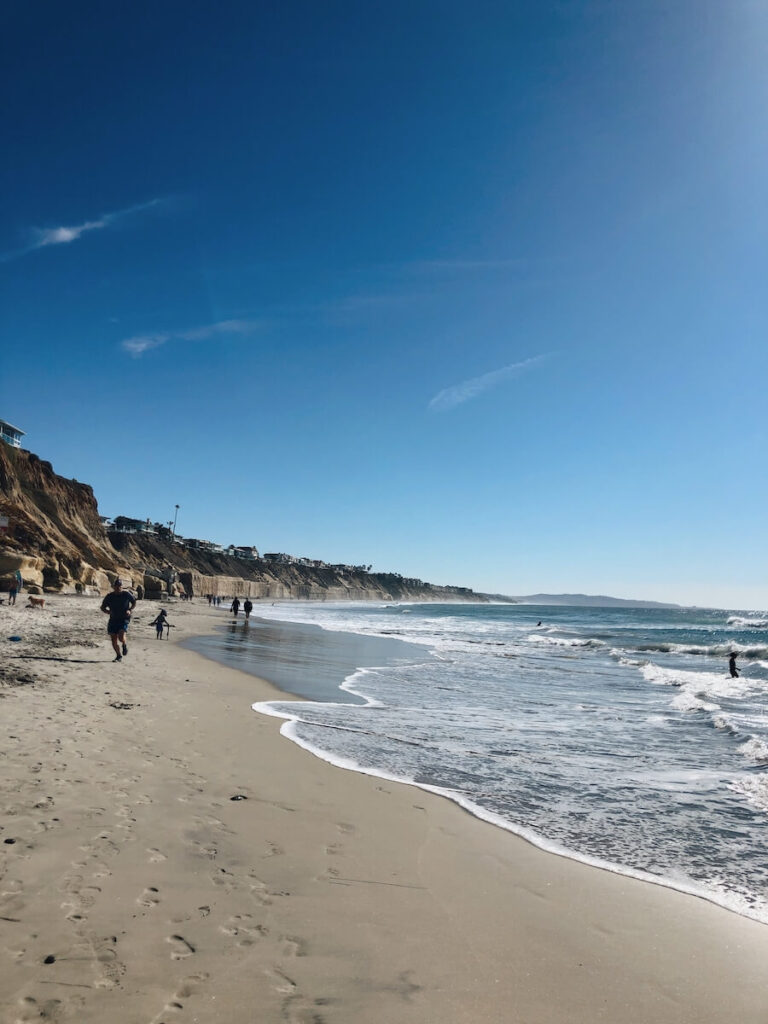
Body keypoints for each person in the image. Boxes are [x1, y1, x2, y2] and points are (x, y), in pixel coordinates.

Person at [100, 579, 136, 662]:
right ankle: (118, 656)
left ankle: (124, 644)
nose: (118, 588)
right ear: (114, 587)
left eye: (119, 586)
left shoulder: (126, 594)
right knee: (113, 640)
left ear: (122, 587)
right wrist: (108, 612)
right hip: (113, 619)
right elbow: (102, 607)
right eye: (116, 586)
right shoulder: (110, 596)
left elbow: (134, 602)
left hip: (124, 618)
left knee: (121, 637)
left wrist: (130, 610)